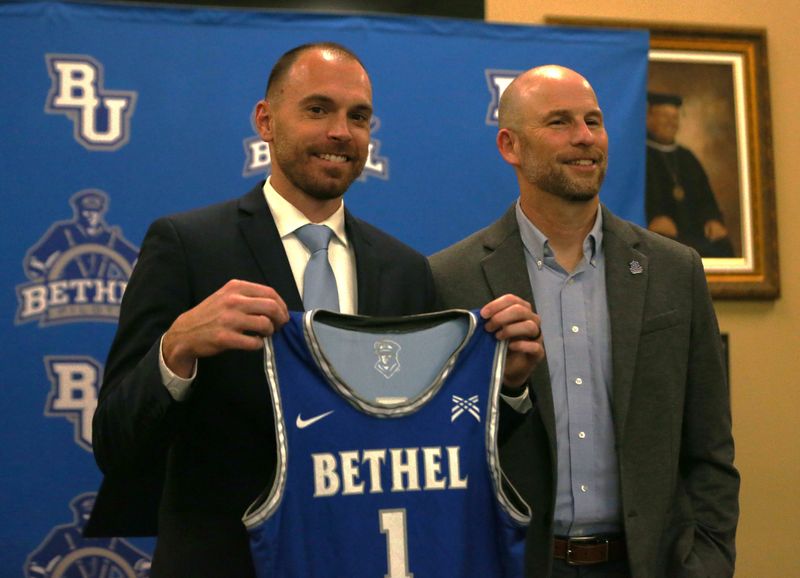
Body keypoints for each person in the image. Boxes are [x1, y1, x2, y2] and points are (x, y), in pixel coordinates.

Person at [85, 42, 541, 578]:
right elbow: (114, 441)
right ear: (266, 120)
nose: (341, 132)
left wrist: (504, 388)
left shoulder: (405, 271)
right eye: (318, 109)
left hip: (368, 559)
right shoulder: (187, 246)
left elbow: (436, 446)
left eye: (359, 117)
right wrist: (176, 348)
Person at [430, 65, 739, 577]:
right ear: (510, 146)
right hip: (519, 564)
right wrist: (509, 392)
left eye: (593, 121)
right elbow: (439, 451)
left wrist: (707, 562)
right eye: (559, 123)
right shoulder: (451, 278)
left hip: (649, 565)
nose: (584, 138)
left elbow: (710, 447)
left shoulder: (674, 270)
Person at [645, 92, 734, 257]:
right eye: (665, 116)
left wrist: (712, 219)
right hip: (658, 234)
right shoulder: (639, 155)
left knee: (723, 247)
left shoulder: (687, 157)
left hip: (695, 233)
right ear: (649, 119)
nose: (671, 123)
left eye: (675, 118)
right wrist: (653, 218)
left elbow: (706, 197)